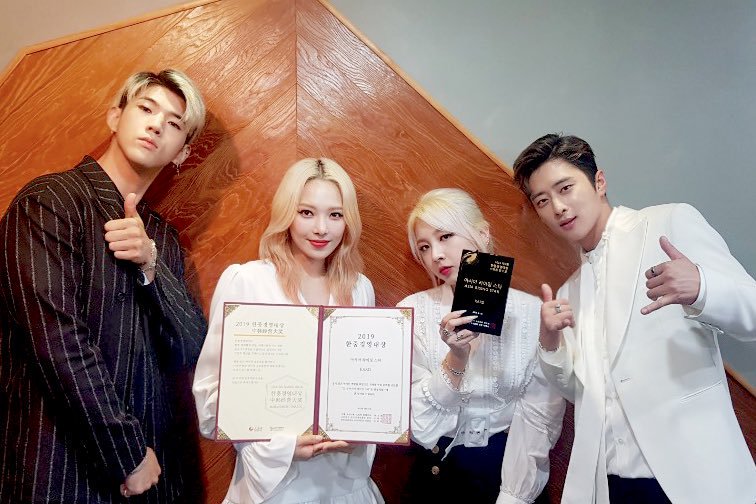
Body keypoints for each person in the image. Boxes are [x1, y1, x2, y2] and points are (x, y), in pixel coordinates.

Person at [512, 133, 756, 504]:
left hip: (690, 476)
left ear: (599, 182)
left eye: (565, 188)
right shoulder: (568, 292)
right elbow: (581, 394)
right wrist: (550, 344)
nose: (558, 207)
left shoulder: (668, 223)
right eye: (542, 201)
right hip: (610, 484)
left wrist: (703, 288)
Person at [0, 69, 208, 502]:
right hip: (59, 471)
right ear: (115, 116)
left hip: (152, 475)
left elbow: (190, 347)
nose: (156, 125)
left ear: (182, 153)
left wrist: (151, 264)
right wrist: (127, 453)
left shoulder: (162, 238)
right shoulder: (48, 202)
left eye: (174, 123)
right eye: (146, 109)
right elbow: (56, 343)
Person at [193, 158, 384, 504]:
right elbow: (210, 402)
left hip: (343, 486)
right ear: (286, 215)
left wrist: (362, 431)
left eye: (335, 215)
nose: (321, 229)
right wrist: (280, 447)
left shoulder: (359, 289)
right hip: (273, 489)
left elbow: (364, 386)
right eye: (306, 212)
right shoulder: (247, 281)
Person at [397, 188, 565, 504]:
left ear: (483, 234)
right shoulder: (412, 311)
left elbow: (542, 416)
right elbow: (418, 423)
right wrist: (456, 359)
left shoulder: (530, 311)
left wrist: (514, 496)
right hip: (436, 476)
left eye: (445, 236)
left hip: (508, 474)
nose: (436, 255)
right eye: (424, 246)